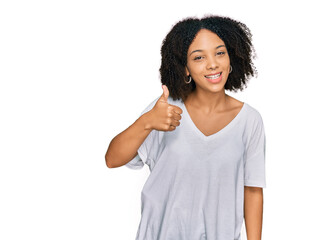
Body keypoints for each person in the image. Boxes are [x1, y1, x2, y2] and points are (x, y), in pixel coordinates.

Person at [105, 15, 266, 240]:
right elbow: (112, 159)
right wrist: (147, 122)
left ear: (231, 58)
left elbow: (252, 189)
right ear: (186, 68)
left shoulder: (250, 121)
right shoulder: (165, 110)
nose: (212, 63)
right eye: (198, 57)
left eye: (220, 53)